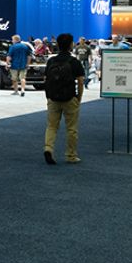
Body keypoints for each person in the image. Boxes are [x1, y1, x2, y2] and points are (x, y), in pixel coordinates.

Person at [43, 32, 85, 165]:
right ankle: (71, 155)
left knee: (51, 126)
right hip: (69, 98)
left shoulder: (51, 61)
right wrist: (79, 97)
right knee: (71, 128)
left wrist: (48, 95)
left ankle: (48, 148)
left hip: (53, 98)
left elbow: (46, 79)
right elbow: (80, 81)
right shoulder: (74, 62)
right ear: (71, 45)